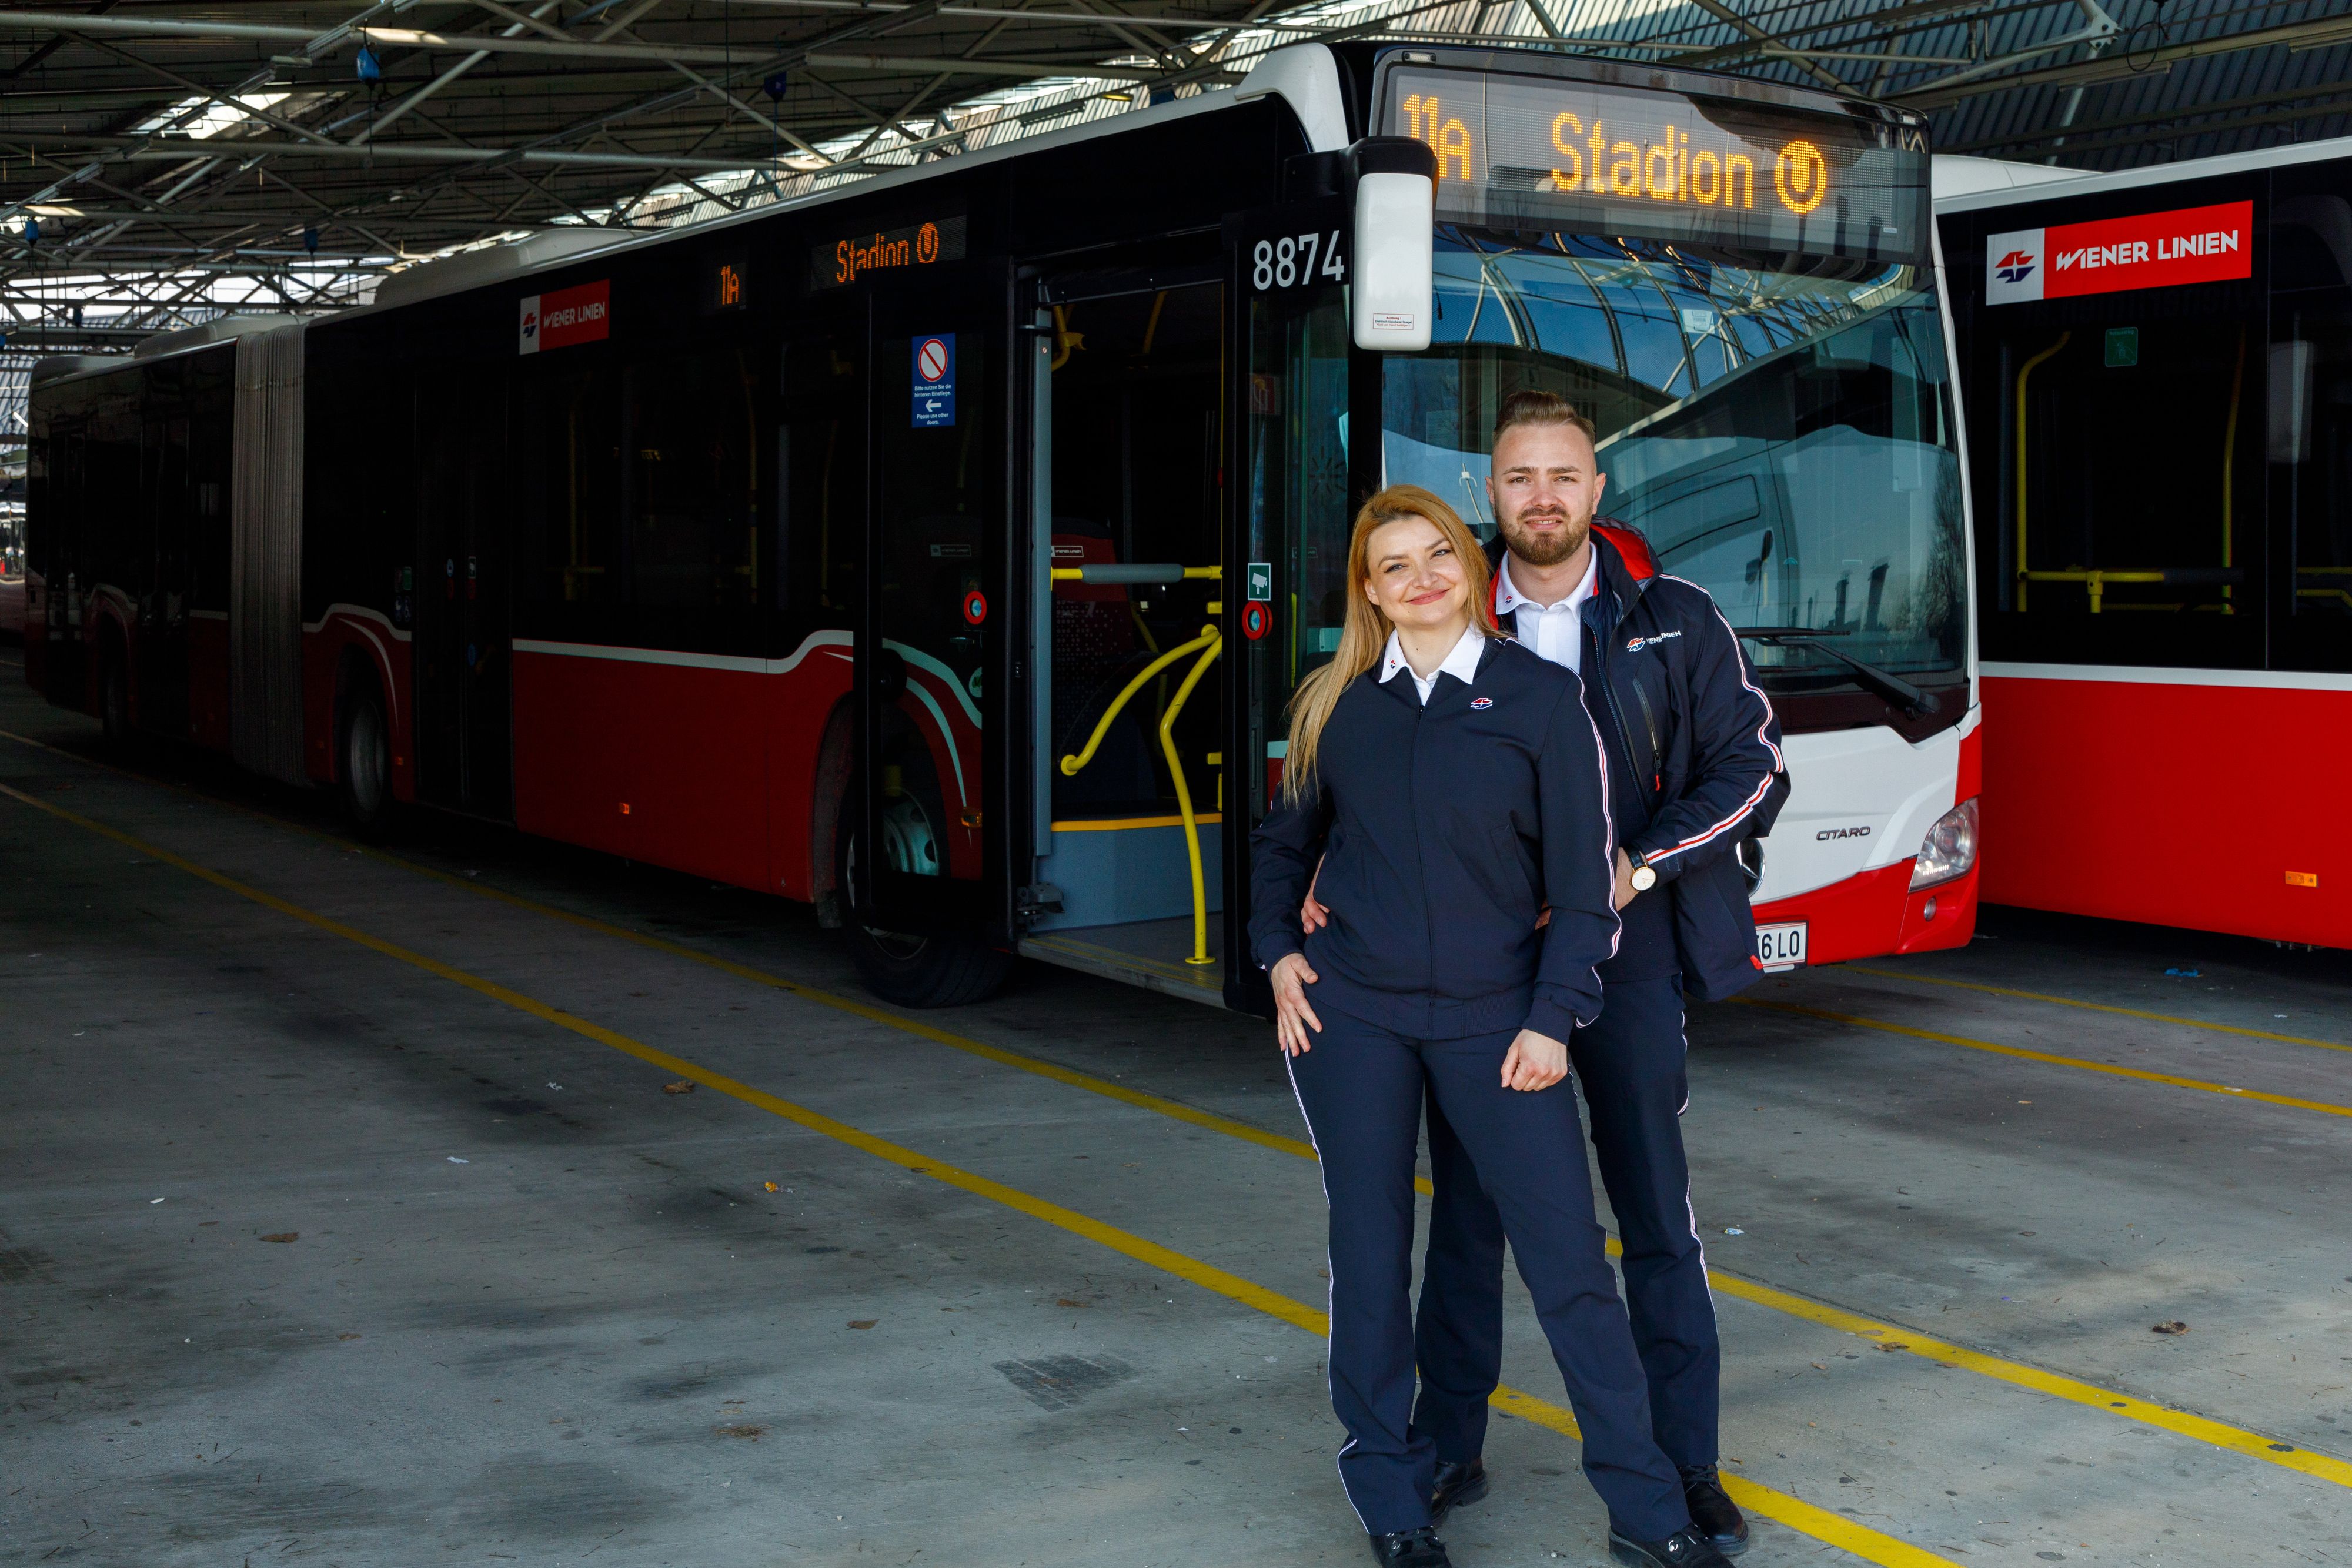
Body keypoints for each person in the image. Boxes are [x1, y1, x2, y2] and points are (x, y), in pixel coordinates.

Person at [1310, 391, 1785, 1557]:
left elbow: (1752, 767)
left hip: (1621, 954)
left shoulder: (1672, 618)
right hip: (1473, 967)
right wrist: (1328, 875)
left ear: (1595, 490)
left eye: (1561, 475)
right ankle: (1447, 1443)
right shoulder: (1446, 604)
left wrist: (1634, 867)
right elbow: (1373, 760)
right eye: (1517, 477)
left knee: (1647, 1216)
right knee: (1469, 1219)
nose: (1540, 497)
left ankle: (1681, 1468)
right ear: (1491, 492)